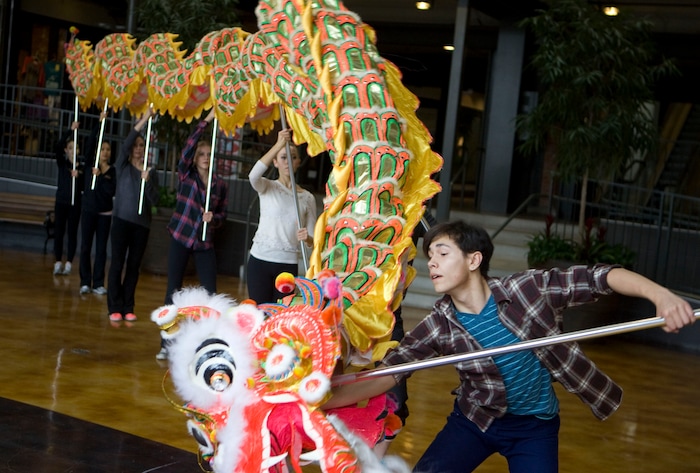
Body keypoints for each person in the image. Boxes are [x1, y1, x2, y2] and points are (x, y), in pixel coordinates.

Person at [323, 220, 696, 473]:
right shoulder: (439, 322)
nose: (432, 263)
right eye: (429, 257)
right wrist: (320, 399)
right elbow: (389, 373)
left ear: (474, 260)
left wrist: (662, 297)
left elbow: (602, 277)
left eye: (441, 253)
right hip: (474, 420)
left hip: (535, 427)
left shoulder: (527, 289)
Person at [157, 109, 228, 360]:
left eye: (209, 154)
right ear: (196, 158)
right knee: (172, 290)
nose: (206, 158)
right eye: (202, 154)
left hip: (204, 242)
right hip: (181, 236)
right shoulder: (186, 175)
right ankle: (166, 343)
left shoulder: (219, 184)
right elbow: (187, 147)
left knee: (211, 293)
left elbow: (223, 215)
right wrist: (206, 122)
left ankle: (208, 343)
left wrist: (214, 218)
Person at [246, 128, 316, 304]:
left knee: (281, 316)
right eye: (283, 157)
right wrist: (278, 144)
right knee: (260, 312)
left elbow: (314, 240)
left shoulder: (307, 198)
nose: (288, 162)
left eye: (293, 157)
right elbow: (253, 175)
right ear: (275, 162)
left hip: (287, 264)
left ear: (299, 161)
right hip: (259, 260)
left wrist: (307, 237)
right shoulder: (267, 187)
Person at [107, 108, 159, 324]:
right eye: (135, 146)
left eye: (141, 146)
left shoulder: (151, 171)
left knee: (133, 266)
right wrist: (145, 118)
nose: (137, 149)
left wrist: (147, 182)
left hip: (141, 225)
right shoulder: (123, 167)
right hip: (121, 221)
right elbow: (127, 141)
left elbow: (155, 200)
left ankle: (129, 306)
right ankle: (114, 307)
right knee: (117, 263)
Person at [79, 111, 116, 295]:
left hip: (104, 214)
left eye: (108, 149)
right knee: (85, 246)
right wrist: (99, 124)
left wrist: (101, 177)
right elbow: (89, 143)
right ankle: (85, 281)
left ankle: (98, 283)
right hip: (88, 211)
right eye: (102, 149)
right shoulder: (89, 165)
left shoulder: (112, 171)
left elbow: (109, 192)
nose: (105, 152)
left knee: (101, 249)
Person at [52, 121, 84, 276]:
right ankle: (58, 261)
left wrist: (78, 175)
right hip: (61, 202)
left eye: (75, 148)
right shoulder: (62, 163)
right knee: (59, 231)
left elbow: (84, 186)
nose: (72, 151)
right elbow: (57, 147)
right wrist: (69, 131)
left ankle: (69, 262)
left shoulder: (81, 168)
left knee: (72, 232)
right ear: (66, 150)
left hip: (74, 203)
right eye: (70, 148)